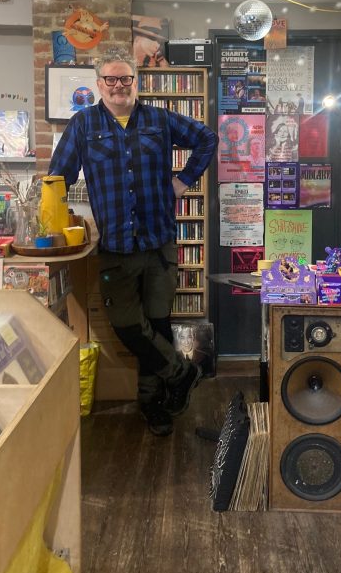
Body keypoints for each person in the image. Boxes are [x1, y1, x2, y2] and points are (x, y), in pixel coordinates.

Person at [49, 50, 218, 436]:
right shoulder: (83, 125)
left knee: (157, 326)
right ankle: (181, 373)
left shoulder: (158, 119)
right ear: (99, 84)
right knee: (128, 326)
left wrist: (184, 180)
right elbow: (58, 177)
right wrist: (58, 222)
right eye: (111, 79)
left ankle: (154, 405)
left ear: (135, 82)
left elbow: (207, 138)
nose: (119, 86)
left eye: (126, 79)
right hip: (116, 247)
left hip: (159, 242)